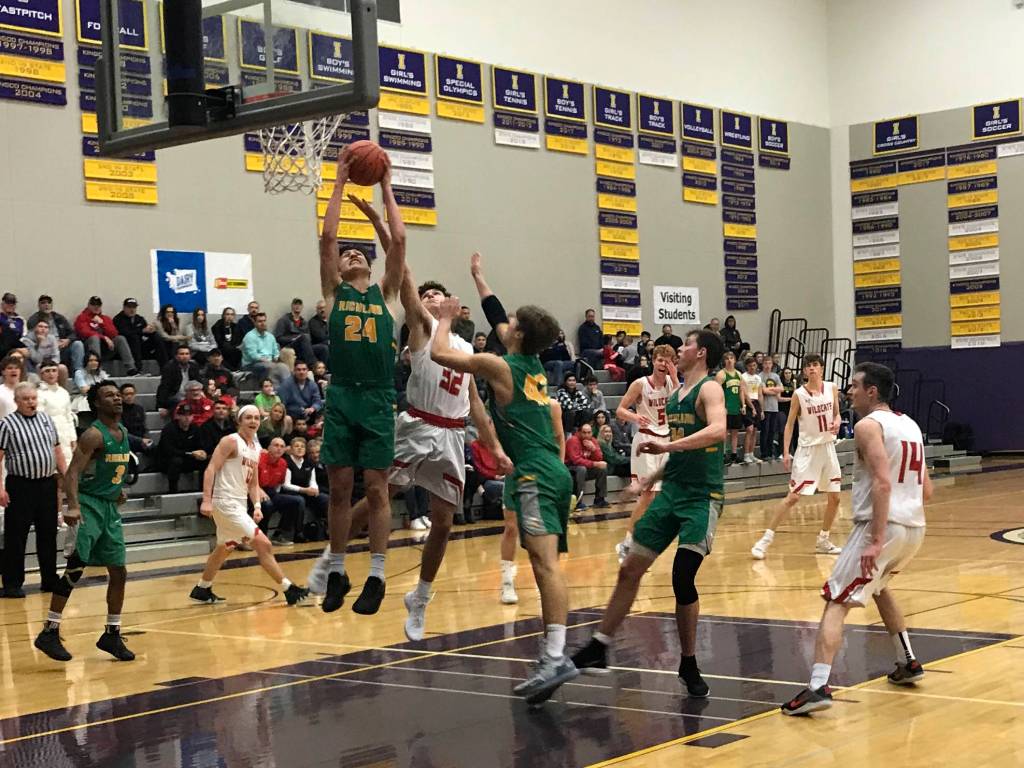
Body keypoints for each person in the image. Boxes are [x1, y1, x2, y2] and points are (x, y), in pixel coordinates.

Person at [430, 253, 577, 704]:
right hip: (550, 471)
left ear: (519, 335)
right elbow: (497, 314)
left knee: (546, 564)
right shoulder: (527, 362)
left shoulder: (500, 366)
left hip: (534, 473)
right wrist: (478, 277)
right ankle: (551, 655)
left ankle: (555, 656)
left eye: (511, 322)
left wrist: (443, 318)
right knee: (540, 562)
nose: (504, 321)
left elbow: (440, 354)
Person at [571, 330, 726, 698]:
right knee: (629, 569)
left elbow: (719, 430)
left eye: (686, 345)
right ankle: (599, 645)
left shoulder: (710, 389)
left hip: (701, 497)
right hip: (671, 491)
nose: (679, 351)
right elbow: (678, 455)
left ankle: (688, 662)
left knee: (682, 577)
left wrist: (667, 444)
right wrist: (646, 482)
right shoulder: (675, 398)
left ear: (700, 352)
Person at [781, 363, 931, 715]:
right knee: (878, 587)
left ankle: (817, 686)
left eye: (854, 386)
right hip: (914, 527)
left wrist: (876, 539)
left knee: (836, 599)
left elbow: (881, 482)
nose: (848, 391)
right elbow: (928, 488)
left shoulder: (867, 426)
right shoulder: (910, 424)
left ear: (872, 392)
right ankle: (907, 660)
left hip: (882, 526)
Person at [316, 147, 407, 616]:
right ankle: (336, 570)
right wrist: (338, 182)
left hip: (376, 398)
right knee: (339, 488)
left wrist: (386, 184)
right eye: (346, 255)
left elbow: (400, 240)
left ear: (371, 267)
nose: (350, 254)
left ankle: (375, 575)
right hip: (342, 396)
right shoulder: (333, 295)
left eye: (359, 253)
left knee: (375, 488)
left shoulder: (387, 294)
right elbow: (328, 236)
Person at [32, 381, 135, 661]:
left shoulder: (123, 431)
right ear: (97, 404)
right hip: (89, 506)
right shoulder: (93, 435)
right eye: (108, 396)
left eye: (117, 394)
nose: (116, 398)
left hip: (109, 508)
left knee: (119, 571)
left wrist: (117, 491)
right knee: (76, 567)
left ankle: (112, 634)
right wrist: (73, 505)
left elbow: (108, 469)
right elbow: (72, 473)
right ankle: (49, 631)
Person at [189, 405, 309, 606]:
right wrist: (207, 500)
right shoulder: (230, 441)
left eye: (255, 418)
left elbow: (253, 482)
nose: (253, 421)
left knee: (224, 548)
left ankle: (202, 587)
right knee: (264, 544)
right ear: (239, 421)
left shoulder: (255, 448)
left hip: (239, 502)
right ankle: (289, 588)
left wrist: (257, 506)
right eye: (248, 418)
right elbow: (210, 469)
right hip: (225, 502)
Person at [752, 354, 843, 560]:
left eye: (815, 365)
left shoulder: (832, 388)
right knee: (793, 497)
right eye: (808, 366)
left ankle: (824, 540)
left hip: (827, 447)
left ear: (821, 368)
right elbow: (790, 424)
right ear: (804, 371)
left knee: (835, 498)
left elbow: (837, 413)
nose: (812, 369)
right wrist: (786, 451)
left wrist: (837, 421)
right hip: (807, 450)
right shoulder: (799, 394)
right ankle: (765, 540)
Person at [0, 382, 67, 597]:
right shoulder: (6, 424)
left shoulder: (46, 420)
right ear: (17, 402)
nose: (31, 402)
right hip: (20, 485)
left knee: (48, 533)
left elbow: (57, 450)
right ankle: (12, 583)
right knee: (16, 536)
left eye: (33, 398)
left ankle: (49, 579)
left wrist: (65, 477)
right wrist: (0, 489)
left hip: (47, 483)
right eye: (26, 399)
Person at [614, 344, 679, 563]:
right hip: (646, 440)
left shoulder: (672, 384)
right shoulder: (641, 384)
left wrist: (675, 377)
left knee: (661, 497)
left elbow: (681, 403)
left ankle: (641, 543)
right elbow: (620, 410)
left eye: (668, 360)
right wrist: (634, 417)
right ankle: (626, 544)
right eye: (660, 360)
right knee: (647, 495)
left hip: (666, 440)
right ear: (653, 361)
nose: (664, 364)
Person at [73, 297, 138, 375]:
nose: (96, 307)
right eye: (93, 304)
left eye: (98, 305)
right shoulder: (82, 317)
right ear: (89, 305)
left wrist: (102, 324)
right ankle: (96, 368)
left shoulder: (105, 318)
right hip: (89, 350)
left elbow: (114, 333)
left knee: (120, 338)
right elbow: (83, 332)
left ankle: (131, 368)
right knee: (94, 338)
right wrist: (104, 337)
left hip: (106, 348)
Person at [156, 404, 206, 493]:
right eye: (184, 415)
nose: (187, 418)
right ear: (178, 416)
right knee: (176, 461)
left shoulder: (195, 429)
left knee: (205, 460)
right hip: (168, 461)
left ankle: (204, 490)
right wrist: (190, 454)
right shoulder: (169, 429)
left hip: (188, 459)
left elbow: (200, 445)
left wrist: (202, 452)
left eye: (189, 415)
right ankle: (173, 491)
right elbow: (168, 450)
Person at [36, 361, 77, 465]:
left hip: (65, 437)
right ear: (41, 374)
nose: (51, 374)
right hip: (48, 439)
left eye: (54, 371)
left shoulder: (64, 392)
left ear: (58, 373)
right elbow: (40, 420)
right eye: (47, 371)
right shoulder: (38, 394)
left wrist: (73, 439)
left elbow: (68, 417)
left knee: (67, 470)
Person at [715, 351, 750, 465]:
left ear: (735, 360)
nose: (729, 360)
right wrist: (721, 406)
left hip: (736, 408)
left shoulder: (738, 374)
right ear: (724, 361)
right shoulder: (721, 374)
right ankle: (723, 455)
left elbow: (741, 391)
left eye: (731, 358)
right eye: (727, 358)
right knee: (724, 433)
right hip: (726, 408)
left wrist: (743, 405)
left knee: (735, 432)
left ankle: (734, 455)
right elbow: (717, 392)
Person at [565, 423, 609, 510]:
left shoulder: (593, 441)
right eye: (584, 433)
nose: (586, 435)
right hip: (570, 468)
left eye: (589, 433)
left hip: (585, 468)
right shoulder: (573, 441)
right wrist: (594, 464)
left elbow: (599, 458)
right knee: (581, 469)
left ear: (592, 433)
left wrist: (594, 449)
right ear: (579, 432)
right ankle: (578, 501)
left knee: (602, 469)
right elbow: (576, 460)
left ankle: (599, 499)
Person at [241, 313, 290, 385]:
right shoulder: (250, 336)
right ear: (255, 323)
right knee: (271, 367)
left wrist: (277, 358)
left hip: (269, 362)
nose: (263, 323)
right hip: (251, 364)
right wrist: (267, 361)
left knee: (283, 367)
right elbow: (253, 355)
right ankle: (274, 391)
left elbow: (275, 352)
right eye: (260, 321)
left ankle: (287, 389)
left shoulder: (270, 336)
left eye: (264, 321)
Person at [275, 298, 324, 367]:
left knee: (323, 348)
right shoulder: (284, 320)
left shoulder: (304, 322)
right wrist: (294, 338)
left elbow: (309, 338)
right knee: (303, 337)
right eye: (295, 304)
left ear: (302, 307)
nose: (297, 306)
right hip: (289, 346)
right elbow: (278, 338)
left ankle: (325, 371)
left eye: (299, 304)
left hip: (304, 346)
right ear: (292, 306)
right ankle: (313, 365)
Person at [112, 298, 159, 369]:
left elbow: (145, 331)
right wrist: (142, 331)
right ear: (124, 308)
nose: (132, 310)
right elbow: (125, 333)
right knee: (134, 338)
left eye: (134, 307)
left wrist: (151, 330)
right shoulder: (118, 319)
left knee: (156, 336)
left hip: (140, 346)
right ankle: (138, 368)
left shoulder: (139, 318)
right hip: (127, 348)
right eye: (129, 307)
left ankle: (164, 366)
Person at [156, 345, 201, 414]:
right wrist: (161, 406)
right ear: (176, 356)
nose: (185, 356)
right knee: (181, 406)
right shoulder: (169, 368)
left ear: (190, 356)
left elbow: (199, 382)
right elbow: (164, 387)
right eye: (182, 354)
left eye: (187, 354)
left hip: (191, 396)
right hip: (175, 397)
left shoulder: (194, 366)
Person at [740, 356, 764, 464]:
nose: (752, 368)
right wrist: (751, 407)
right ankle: (745, 454)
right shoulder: (743, 377)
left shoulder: (758, 378)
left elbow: (760, 394)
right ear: (746, 366)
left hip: (756, 402)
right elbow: (744, 393)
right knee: (749, 429)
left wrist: (761, 410)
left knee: (754, 430)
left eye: (754, 365)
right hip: (747, 402)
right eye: (750, 366)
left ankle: (751, 453)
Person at [760, 356, 783, 461]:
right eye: (766, 363)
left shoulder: (775, 376)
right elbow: (764, 391)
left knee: (772, 431)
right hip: (765, 407)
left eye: (769, 363)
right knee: (765, 430)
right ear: (763, 364)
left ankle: (770, 452)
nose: (768, 365)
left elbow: (781, 388)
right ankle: (764, 453)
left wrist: (772, 389)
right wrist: (775, 390)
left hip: (774, 407)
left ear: (772, 364)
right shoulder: (760, 376)